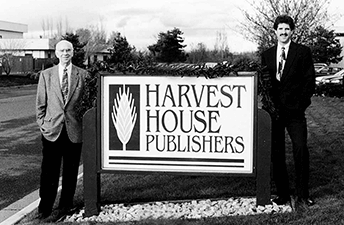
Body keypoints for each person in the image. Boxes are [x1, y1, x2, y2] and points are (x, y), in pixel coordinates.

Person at [261, 15, 315, 210]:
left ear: (292, 31)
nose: (283, 32)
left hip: (295, 113)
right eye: (280, 29)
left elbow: (309, 82)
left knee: (300, 149)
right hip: (274, 113)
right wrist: (268, 106)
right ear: (275, 31)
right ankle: (282, 194)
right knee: (277, 153)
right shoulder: (266, 55)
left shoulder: (302, 52)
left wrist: (300, 105)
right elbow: (264, 84)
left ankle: (303, 195)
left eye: (287, 29)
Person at [36, 40, 87, 221]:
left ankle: (65, 206)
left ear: (73, 53)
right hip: (52, 130)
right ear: (56, 53)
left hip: (74, 130)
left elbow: (87, 104)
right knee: (49, 171)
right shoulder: (46, 75)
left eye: (68, 50)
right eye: (62, 50)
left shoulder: (83, 75)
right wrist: (43, 125)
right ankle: (45, 208)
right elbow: (40, 105)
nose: (65, 53)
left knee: (71, 171)